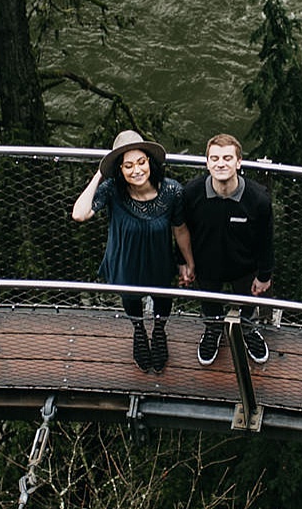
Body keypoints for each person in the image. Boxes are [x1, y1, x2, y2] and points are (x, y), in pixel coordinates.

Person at [72, 130, 192, 372]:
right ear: (120, 170)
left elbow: (180, 229)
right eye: (128, 166)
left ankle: (159, 332)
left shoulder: (171, 191)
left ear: (150, 162)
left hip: (158, 258)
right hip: (124, 259)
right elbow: (79, 213)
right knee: (131, 300)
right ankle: (139, 332)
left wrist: (188, 262)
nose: (136, 170)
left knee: (162, 298)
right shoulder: (112, 190)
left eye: (141, 162)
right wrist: (100, 173)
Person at [175, 133, 274, 366]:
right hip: (206, 264)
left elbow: (266, 239)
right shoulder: (192, 193)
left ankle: (249, 332)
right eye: (215, 158)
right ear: (207, 162)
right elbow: (182, 229)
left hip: (245, 266)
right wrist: (182, 261)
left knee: (249, 304)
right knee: (210, 305)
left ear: (239, 162)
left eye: (228, 158)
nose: (221, 163)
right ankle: (213, 331)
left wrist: (264, 275)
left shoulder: (258, 199)